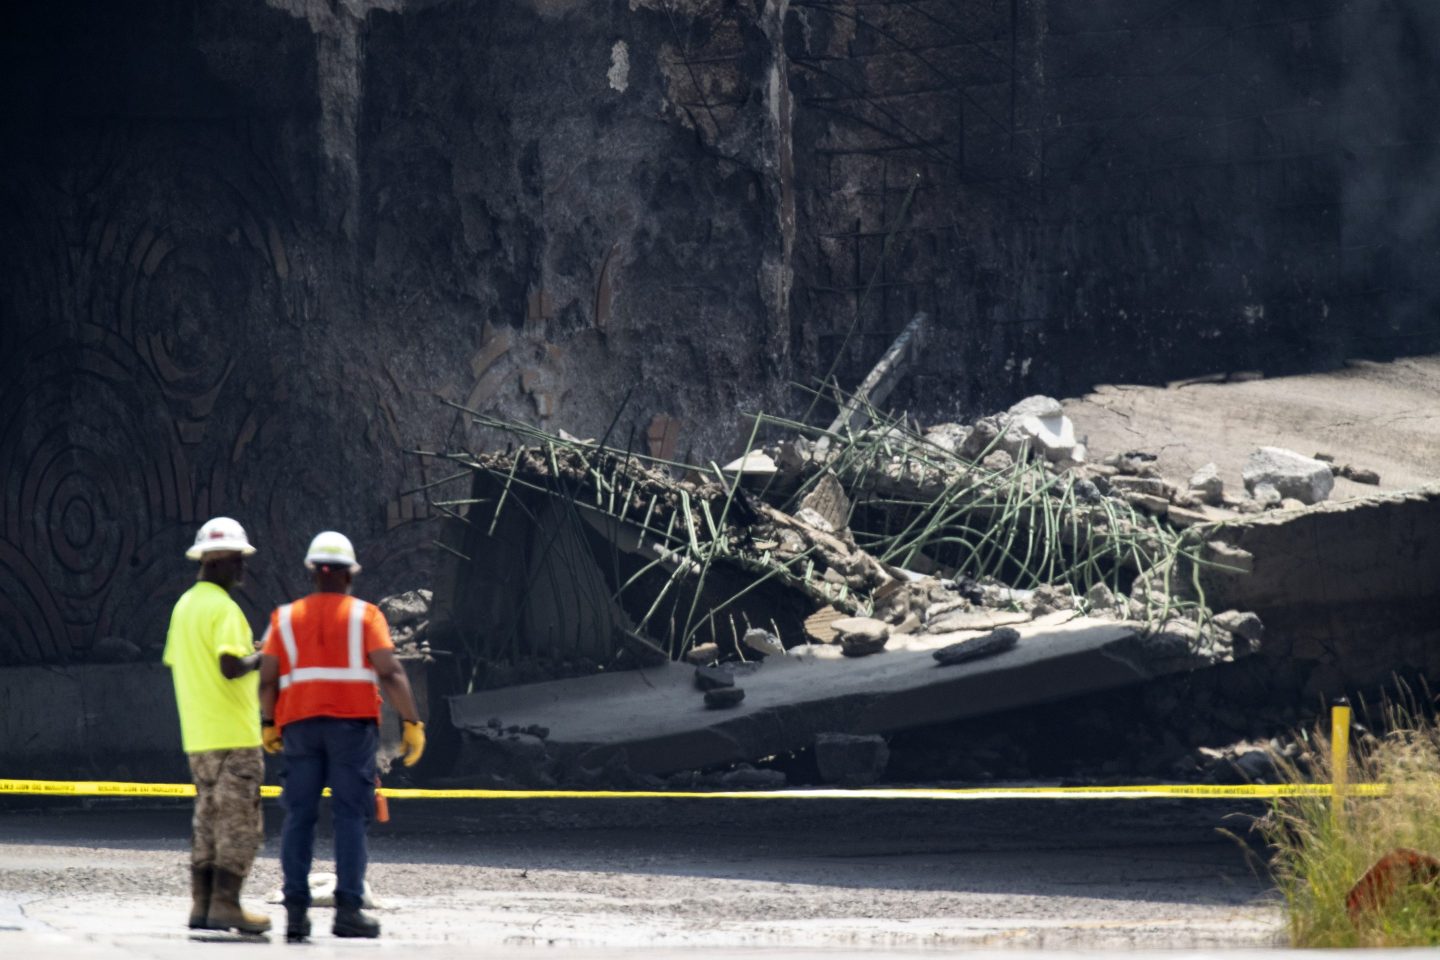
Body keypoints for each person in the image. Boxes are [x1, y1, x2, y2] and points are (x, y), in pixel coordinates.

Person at [258, 530, 425, 942]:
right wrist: (412, 722)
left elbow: (268, 677)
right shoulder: (365, 616)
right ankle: (349, 911)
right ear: (350, 574)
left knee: (299, 817)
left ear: (313, 573)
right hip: (352, 731)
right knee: (350, 817)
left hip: (299, 728)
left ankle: (296, 915)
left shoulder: (285, 617)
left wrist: (268, 722)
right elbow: (389, 671)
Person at [162, 516, 272, 935]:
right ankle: (227, 904)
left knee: (206, 821)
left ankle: (203, 905)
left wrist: (246, 653)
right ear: (218, 562)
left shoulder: (184, 606)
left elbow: (188, 662)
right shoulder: (225, 609)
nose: (242, 570)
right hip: (233, 736)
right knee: (240, 823)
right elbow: (229, 666)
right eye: (237, 561)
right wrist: (263, 656)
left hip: (199, 737)